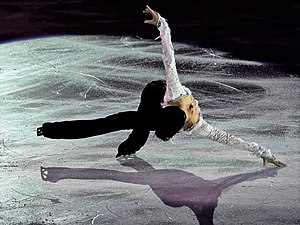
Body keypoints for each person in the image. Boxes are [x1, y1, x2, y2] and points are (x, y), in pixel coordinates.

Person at [37, 6, 286, 167]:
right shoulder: (175, 94)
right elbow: (169, 58)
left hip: (157, 115)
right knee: (117, 122)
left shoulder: (196, 124)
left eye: (187, 109)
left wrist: (263, 152)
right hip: (155, 92)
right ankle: (56, 131)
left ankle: (126, 144)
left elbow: (231, 140)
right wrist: (162, 24)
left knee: (132, 128)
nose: (191, 106)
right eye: (186, 107)